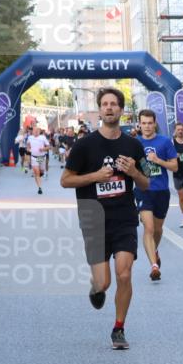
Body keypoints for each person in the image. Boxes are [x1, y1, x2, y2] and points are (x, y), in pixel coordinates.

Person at [60, 87, 149, 350]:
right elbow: (65, 180)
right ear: (100, 110)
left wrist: (133, 171)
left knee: (124, 274)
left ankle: (118, 329)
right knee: (104, 282)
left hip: (124, 217)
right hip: (93, 218)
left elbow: (145, 184)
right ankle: (95, 286)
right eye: (105, 104)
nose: (109, 108)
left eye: (114, 104)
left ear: (121, 110)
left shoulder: (133, 145)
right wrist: (95, 177)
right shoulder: (84, 145)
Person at [134, 110, 178, 281]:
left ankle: (155, 250)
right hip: (143, 191)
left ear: (154, 124)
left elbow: (174, 167)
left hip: (161, 191)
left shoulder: (164, 142)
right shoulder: (134, 143)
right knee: (149, 228)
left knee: (158, 230)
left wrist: (158, 160)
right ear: (139, 124)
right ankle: (154, 266)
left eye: (149, 123)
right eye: (143, 123)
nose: (146, 126)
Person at [27, 125, 51, 194]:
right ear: (32, 131)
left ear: (39, 131)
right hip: (34, 157)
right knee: (36, 172)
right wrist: (28, 149)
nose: (36, 132)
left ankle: (41, 174)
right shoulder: (30, 137)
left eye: (37, 131)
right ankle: (40, 188)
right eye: (34, 130)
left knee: (41, 171)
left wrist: (43, 149)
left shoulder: (42, 138)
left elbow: (49, 146)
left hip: (41, 157)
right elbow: (28, 145)